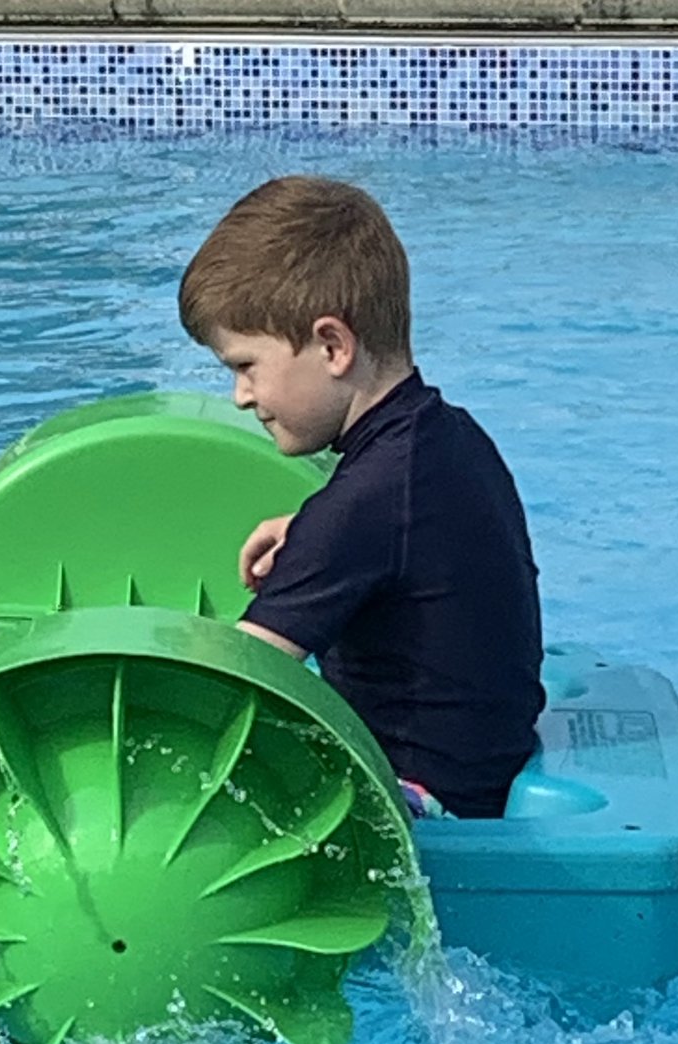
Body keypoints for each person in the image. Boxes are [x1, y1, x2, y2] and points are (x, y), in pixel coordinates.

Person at [177, 175, 544, 819]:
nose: (240, 396)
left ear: (332, 346)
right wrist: (309, 530)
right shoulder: (446, 439)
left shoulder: (354, 512)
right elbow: (433, 546)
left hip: (426, 804)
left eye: (245, 366)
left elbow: (229, 688)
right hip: (484, 767)